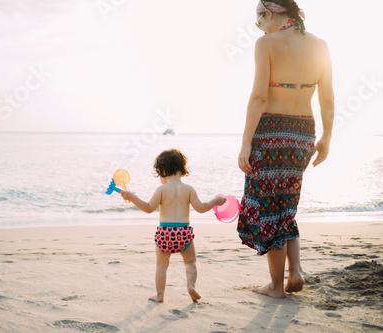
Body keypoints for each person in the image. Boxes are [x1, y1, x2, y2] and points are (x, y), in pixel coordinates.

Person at [237, 0, 335, 299]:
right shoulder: (321, 45)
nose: (259, 26)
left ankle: (276, 287)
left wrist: (245, 143)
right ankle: (294, 273)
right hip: (304, 132)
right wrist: (327, 138)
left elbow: (258, 98)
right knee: (285, 204)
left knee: (268, 206)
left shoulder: (266, 44)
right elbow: (328, 99)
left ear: (271, 13)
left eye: (258, 19)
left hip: (271, 134)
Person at [120, 149, 226, 303]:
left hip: (165, 234)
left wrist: (132, 197)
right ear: (182, 171)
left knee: (161, 266)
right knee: (190, 262)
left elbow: (149, 208)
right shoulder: (189, 189)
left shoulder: (161, 189)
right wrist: (215, 201)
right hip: (184, 233)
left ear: (163, 171)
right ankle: (191, 286)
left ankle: (160, 295)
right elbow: (201, 208)